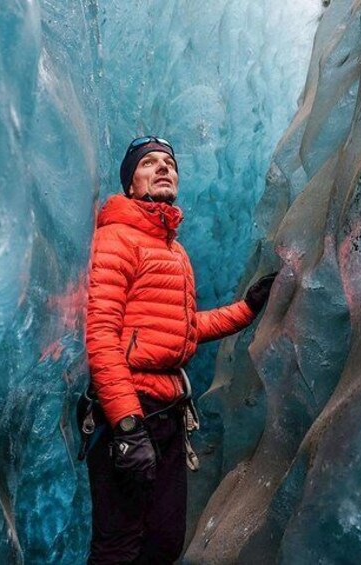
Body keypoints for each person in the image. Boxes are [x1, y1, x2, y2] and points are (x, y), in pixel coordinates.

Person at [81, 135, 277, 564]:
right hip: (129, 412)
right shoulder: (117, 238)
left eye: (168, 162)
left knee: (163, 543)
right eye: (149, 163)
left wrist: (247, 309)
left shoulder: (174, 250)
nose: (163, 168)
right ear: (130, 184)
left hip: (167, 414)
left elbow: (183, 330)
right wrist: (127, 425)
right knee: (119, 546)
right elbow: (100, 334)